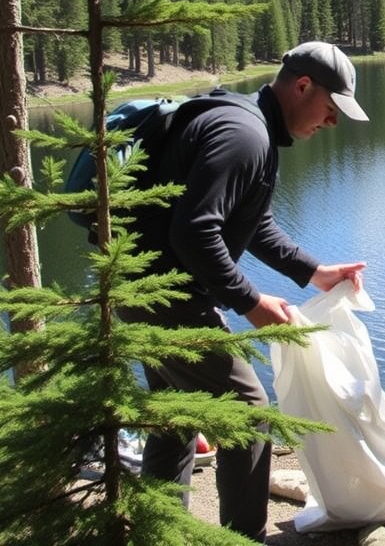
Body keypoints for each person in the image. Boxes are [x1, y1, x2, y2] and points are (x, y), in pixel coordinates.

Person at [122, 40, 370, 542]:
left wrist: (313, 272)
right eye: (330, 108)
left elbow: (252, 224)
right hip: (166, 297)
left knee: (175, 416)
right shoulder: (244, 135)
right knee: (247, 415)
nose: (332, 123)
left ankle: (158, 533)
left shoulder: (246, 122)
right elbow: (194, 233)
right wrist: (251, 302)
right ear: (303, 86)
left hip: (141, 289)